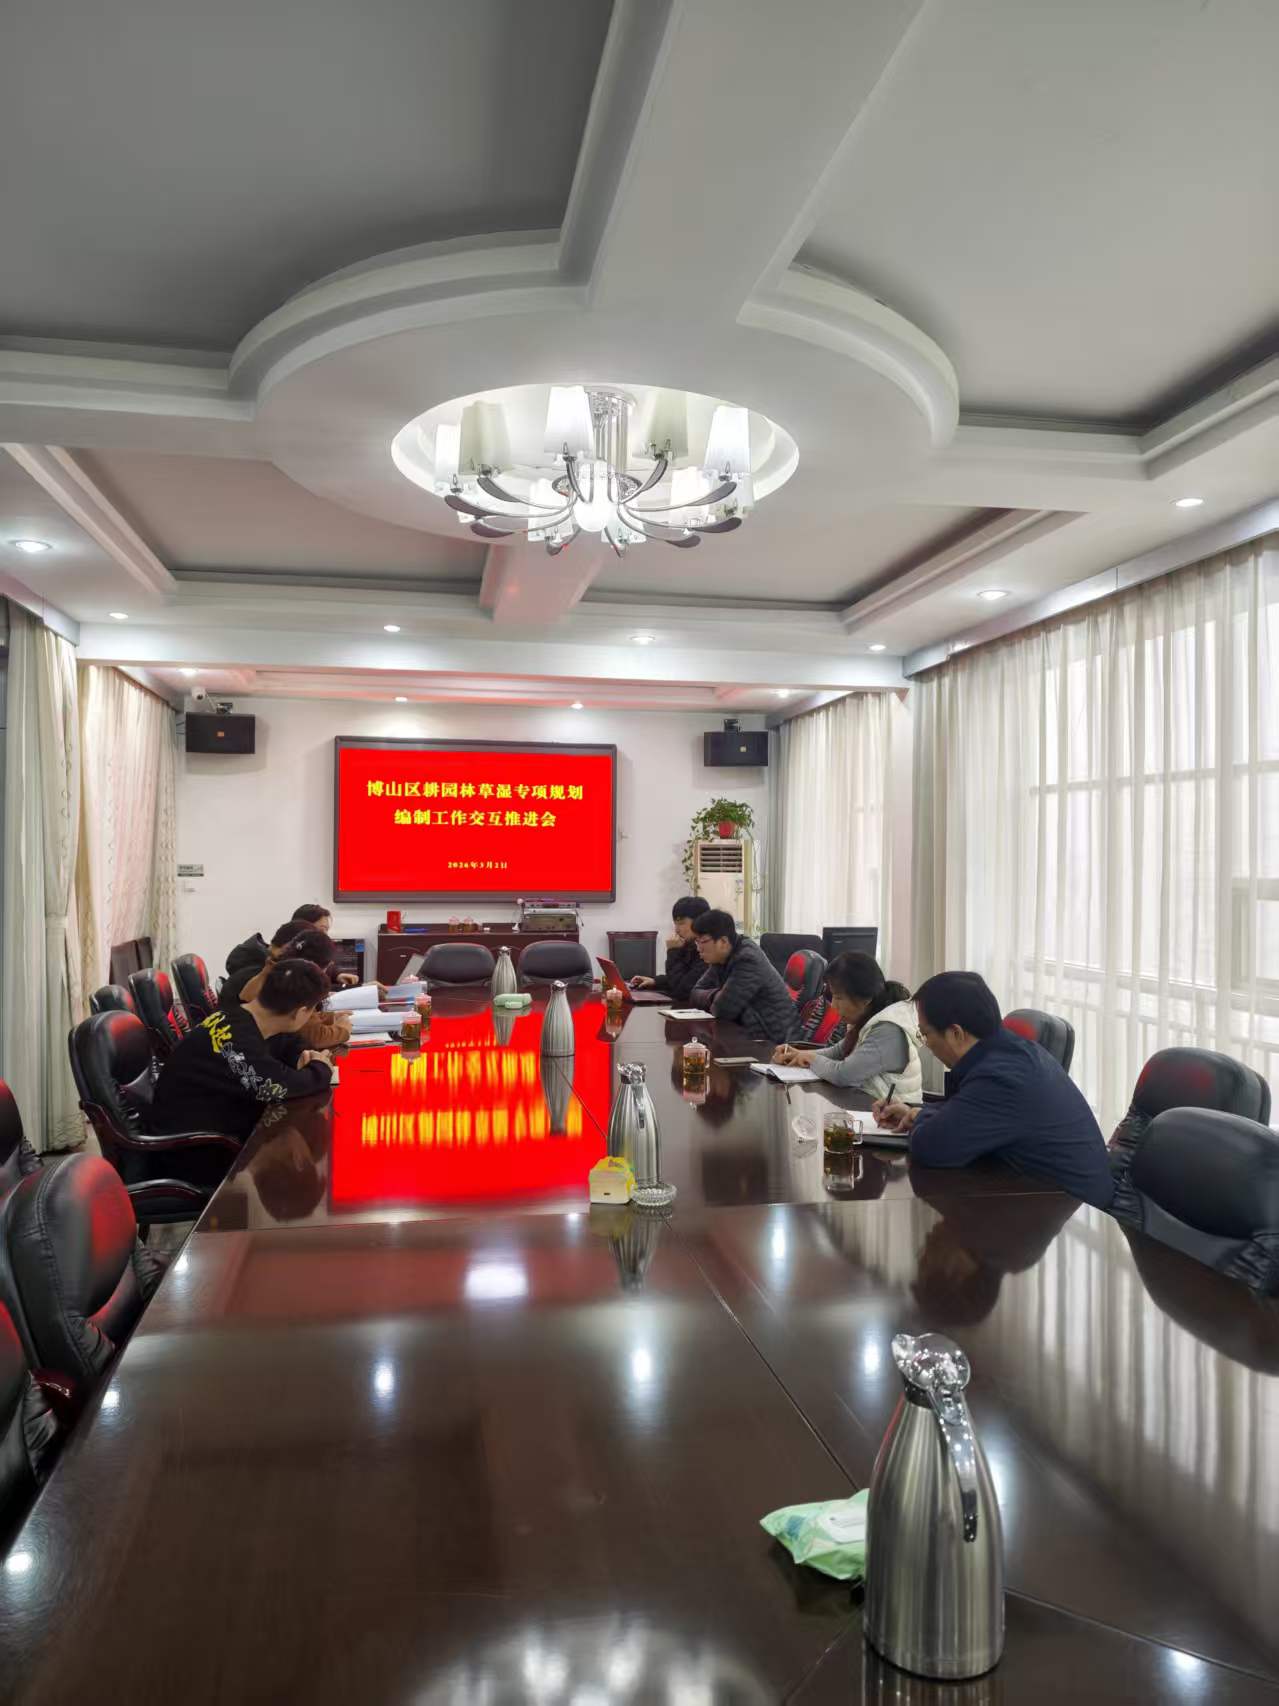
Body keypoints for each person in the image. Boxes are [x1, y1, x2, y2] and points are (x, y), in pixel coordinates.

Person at [873, 971, 1114, 1208]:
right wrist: (917, 1112)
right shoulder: (1011, 1050)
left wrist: (922, 1117)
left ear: (956, 1033)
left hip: (1070, 1207)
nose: (926, 1045)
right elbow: (966, 1109)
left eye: (925, 1034)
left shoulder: (1000, 1077)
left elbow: (929, 1147)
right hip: (1037, 1194)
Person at [151, 959, 336, 1142]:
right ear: (300, 1012)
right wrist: (321, 1068)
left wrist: (299, 1057)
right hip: (192, 1147)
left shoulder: (237, 1016)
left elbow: (284, 1044)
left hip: (208, 1125)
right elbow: (276, 1087)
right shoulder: (238, 1041)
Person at [771, 951, 923, 1102]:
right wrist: (797, 1054)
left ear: (866, 998)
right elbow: (838, 1051)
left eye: (839, 998)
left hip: (893, 1115)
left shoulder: (888, 1030)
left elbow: (843, 1074)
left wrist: (810, 1058)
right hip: (868, 1107)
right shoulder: (869, 1018)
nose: (833, 1006)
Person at [222, 924, 354, 1051]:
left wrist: (327, 1017)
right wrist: (343, 1030)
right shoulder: (295, 980)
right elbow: (312, 1036)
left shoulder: (273, 969)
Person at [689, 910, 798, 1045]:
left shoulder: (748, 959)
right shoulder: (721, 958)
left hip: (774, 1042)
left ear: (723, 941)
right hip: (748, 1034)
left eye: (703, 941)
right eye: (697, 942)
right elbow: (695, 993)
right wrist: (716, 995)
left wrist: (718, 998)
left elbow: (723, 1010)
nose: (699, 948)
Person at [630, 895, 711, 1002]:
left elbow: (681, 991)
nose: (676, 930)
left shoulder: (709, 950)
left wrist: (673, 952)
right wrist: (656, 981)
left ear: (699, 921)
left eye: (681, 923)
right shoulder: (690, 945)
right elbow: (683, 977)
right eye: (675, 924)